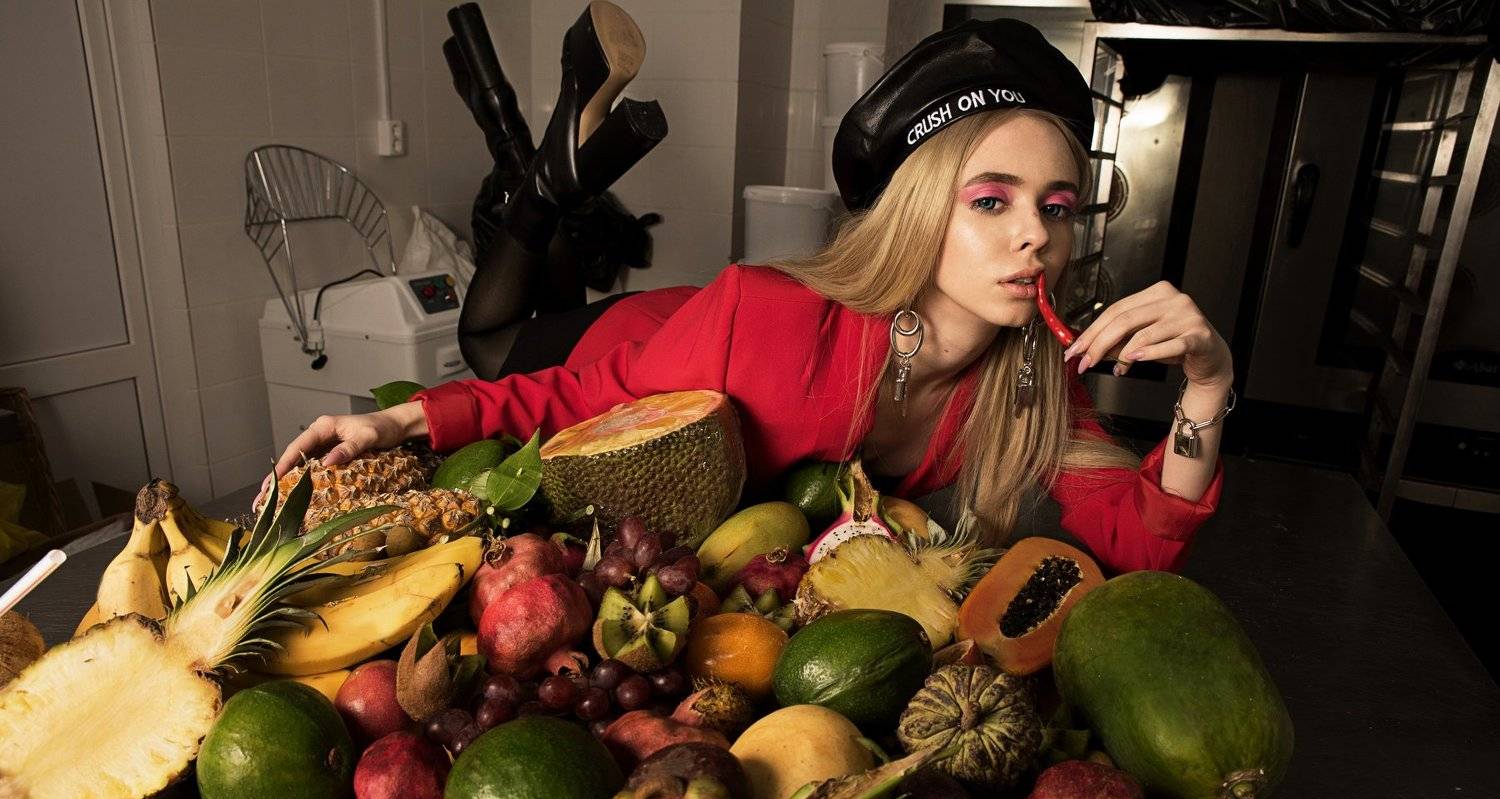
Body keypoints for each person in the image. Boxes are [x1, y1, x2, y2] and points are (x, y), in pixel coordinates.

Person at [272, 11, 1235, 574]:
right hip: (654, 350)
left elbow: (1138, 542)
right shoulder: (767, 320)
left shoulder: (1029, 374)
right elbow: (575, 399)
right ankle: (539, 182)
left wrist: (1204, 390)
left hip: (692, 353)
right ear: (918, 215)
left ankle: (561, 171)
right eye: (992, 200)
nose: (1037, 236)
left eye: (1057, 207)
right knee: (491, 337)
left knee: (529, 303)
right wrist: (398, 421)